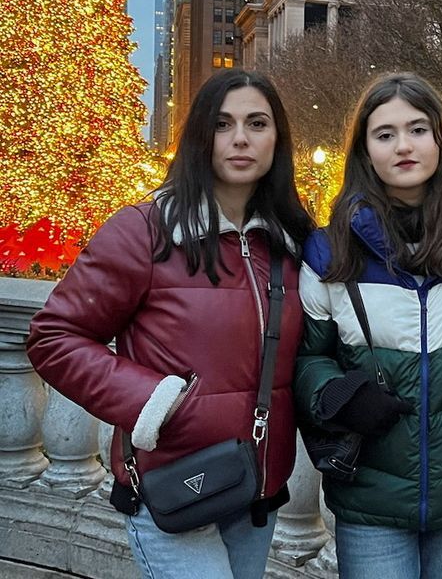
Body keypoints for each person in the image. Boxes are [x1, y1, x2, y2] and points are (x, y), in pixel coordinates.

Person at [26, 69, 314, 579]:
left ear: (278, 139)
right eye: (222, 124)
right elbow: (54, 336)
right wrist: (152, 401)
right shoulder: (144, 231)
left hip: (256, 491)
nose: (241, 138)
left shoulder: (290, 243)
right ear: (200, 136)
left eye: (257, 123)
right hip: (172, 483)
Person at [294, 72, 442, 579]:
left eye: (417, 129)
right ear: (364, 150)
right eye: (385, 134)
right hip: (370, 492)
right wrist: (337, 395)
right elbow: (309, 355)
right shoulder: (329, 252)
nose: (403, 146)